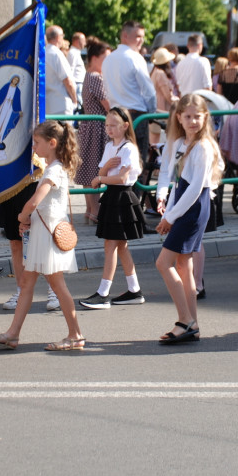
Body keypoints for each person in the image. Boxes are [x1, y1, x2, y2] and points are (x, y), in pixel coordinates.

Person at [0, 120, 85, 350]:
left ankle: (75, 334)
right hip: (43, 234)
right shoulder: (54, 168)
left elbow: (35, 200)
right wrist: (29, 219)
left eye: (37, 143)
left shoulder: (54, 170)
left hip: (48, 237)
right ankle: (13, 334)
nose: (34, 147)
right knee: (28, 283)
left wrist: (22, 216)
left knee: (57, 286)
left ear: (52, 143)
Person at [154, 94, 223, 345]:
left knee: (164, 263)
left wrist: (170, 217)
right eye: (188, 116)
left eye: (197, 116)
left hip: (193, 207)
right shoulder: (179, 142)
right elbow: (170, 176)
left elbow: (195, 189)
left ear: (205, 117)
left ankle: (185, 321)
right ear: (179, 118)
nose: (193, 121)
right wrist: (162, 199)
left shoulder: (204, 146)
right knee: (184, 266)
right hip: (183, 202)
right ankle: (192, 323)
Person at [80, 108, 147, 309]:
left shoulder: (129, 148)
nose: (108, 129)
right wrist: (105, 168)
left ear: (125, 126)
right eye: (107, 125)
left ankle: (103, 293)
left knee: (111, 245)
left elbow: (122, 178)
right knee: (120, 246)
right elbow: (102, 170)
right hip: (112, 196)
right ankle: (134, 290)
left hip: (123, 197)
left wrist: (100, 178)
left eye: (113, 125)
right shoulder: (110, 146)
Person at [101, 20, 156, 164]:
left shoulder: (108, 59)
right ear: (125, 36)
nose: (141, 40)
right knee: (137, 162)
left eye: (142, 36)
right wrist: (152, 113)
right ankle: (136, 188)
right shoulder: (135, 57)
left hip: (116, 114)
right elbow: (149, 91)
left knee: (117, 161)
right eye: (138, 36)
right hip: (135, 115)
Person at [74, 37, 112, 224]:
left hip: (90, 126)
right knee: (95, 170)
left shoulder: (89, 75)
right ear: (95, 58)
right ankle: (95, 210)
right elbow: (108, 106)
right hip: (97, 127)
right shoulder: (96, 78)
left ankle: (90, 210)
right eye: (106, 58)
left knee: (88, 169)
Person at [44, 25, 77, 115]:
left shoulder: (44, 53)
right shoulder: (56, 54)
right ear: (58, 37)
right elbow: (67, 81)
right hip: (61, 104)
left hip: (48, 106)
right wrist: (75, 101)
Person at [68, 31, 86, 108]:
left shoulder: (75, 53)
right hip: (77, 84)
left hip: (78, 84)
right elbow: (70, 70)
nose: (85, 43)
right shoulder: (73, 53)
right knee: (77, 109)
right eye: (83, 40)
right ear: (77, 41)